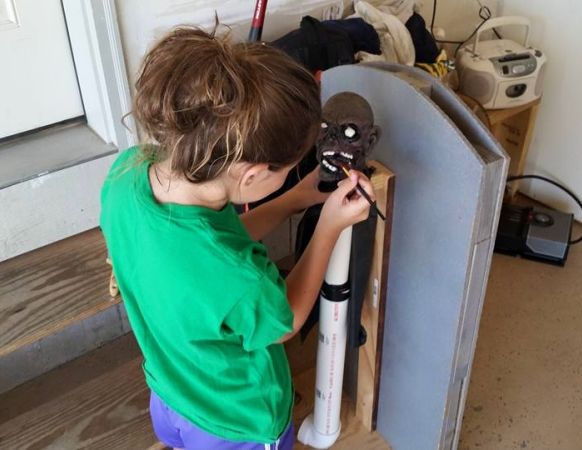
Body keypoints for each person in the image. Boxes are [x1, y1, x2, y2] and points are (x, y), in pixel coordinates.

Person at [100, 26, 375, 450]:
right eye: (288, 170)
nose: (292, 177)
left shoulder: (126, 176)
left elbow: (209, 249)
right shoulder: (241, 278)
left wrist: (291, 199)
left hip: (171, 397)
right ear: (252, 174)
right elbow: (286, 319)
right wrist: (329, 226)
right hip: (234, 424)